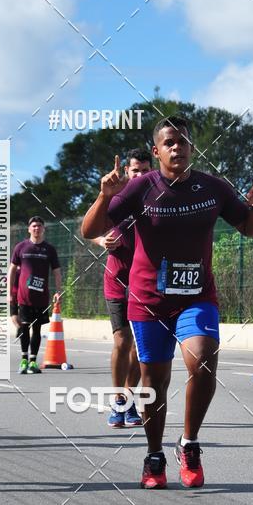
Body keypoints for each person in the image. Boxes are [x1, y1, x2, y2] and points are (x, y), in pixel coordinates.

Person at [81, 117, 253, 489]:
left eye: (183, 141)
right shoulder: (139, 190)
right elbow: (90, 231)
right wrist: (104, 196)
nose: (176, 147)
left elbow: (249, 229)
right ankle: (154, 455)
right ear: (156, 151)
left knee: (202, 359)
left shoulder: (212, 188)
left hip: (197, 296)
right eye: (169, 143)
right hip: (148, 300)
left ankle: (190, 443)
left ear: (192, 147)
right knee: (154, 382)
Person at [91, 148, 151, 428]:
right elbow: (91, 228)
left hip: (146, 282)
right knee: (121, 341)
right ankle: (117, 399)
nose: (140, 174)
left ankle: (128, 399)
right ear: (127, 171)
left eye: (144, 170)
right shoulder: (115, 194)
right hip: (117, 279)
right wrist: (102, 241)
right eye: (135, 170)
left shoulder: (158, 197)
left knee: (140, 347)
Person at [8, 216, 62, 374]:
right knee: (24, 326)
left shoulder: (49, 249)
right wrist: (9, 292)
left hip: (42, 297)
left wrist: (58, 291)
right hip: (23, 296)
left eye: (39, 226)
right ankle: (24, 360)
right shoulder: (21, 247)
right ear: (29, 229)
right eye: (34, 226)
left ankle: (33, 362)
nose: (36, 228)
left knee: (37, 329)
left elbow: (57, 272)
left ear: (43, 228)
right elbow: (12, 270)